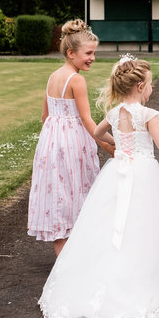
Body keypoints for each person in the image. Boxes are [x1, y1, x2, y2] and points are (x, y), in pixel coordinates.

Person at [39, 55, 159, 318]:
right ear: (141, 86)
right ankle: (138, 274)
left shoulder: (114, 113)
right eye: (151, 84)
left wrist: (119, 145)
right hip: (142, 172)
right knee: (142, 223)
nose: (152, 89)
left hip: (118, 169)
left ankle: (103, 271)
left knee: (109, 222)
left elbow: (96, 131)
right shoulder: (147, 114)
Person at [27, 19, 112, 256]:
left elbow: (45, 116)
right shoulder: (76, 80)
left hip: (51, 142)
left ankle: (63, 255)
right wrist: (109, 144)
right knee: (76, 189)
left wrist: (54, 138)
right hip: (73, 143)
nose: (93, 57)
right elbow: (87, 121)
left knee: (59, 192)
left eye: (94, 52)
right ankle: (73, 258)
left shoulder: (53, 76)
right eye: (89, 53)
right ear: (71, 53)